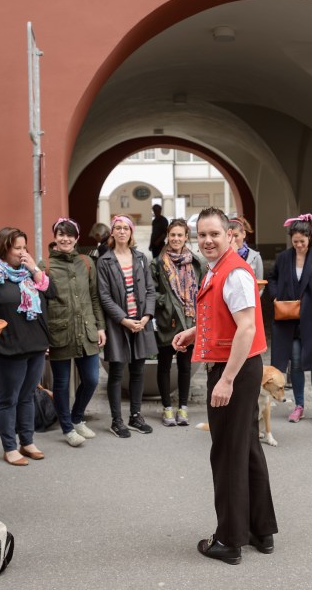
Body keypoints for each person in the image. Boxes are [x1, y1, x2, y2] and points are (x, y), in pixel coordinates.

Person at [172, 207, 277, 565]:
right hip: (238, 366)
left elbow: (246, 328)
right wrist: (194, 332)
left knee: (228, 455)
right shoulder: (219, 268)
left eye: (214, 234)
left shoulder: (234, 272)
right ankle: (261, 531)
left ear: (229, 235)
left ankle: (229, 541)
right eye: (201, 235)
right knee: (246, 449)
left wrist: (227, 379)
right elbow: (226, 318)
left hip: (236, 369)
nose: (207, 240)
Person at [0, 227, 52, 466]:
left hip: (35, 344)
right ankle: (9, 447)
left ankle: (27, 442)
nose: (22, 253)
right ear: (3, 249)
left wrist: (35, 269)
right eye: (16, 248)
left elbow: (51, 295)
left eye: (24, 248)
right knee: (8, 398)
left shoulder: (28, 273)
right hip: (8, 347)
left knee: (28, 396)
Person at [267, 214, 312, 425]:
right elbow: (272, 278)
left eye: (302, 241)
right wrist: (275, 296)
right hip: (289, 318)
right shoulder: (284, 258)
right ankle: (299, 406)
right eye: (295, 241)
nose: (299, 245)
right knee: (296, 363)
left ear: (310, 237)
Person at [40, 217, 106, 447]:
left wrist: (100, 326)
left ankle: (77, 418)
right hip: (59, 332)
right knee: (61, 383)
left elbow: (94, 297)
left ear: (76, 238)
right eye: (61, 234)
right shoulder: (45, 266)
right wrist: (43, 337)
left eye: (70, 235)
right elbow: (41, 305)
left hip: (86, 329)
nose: (65, 239)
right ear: (55, 237)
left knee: (91, 379)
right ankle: (67, 428)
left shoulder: (87, 263)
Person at [97, 215, 156, 437]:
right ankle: (117, 420)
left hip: (140, 322)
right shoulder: (104, 261)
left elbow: (150, 290)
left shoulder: (140, 258)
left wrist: (147, 316)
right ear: (112, 232)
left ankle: (135, 416)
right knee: (116, 372)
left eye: (126, 228)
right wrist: (123, 320)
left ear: (131, 232)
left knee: (138, 371)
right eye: (118, 228)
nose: (122, 231)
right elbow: (104, 296)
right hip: (118, 324)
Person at [150, 218, 203, 426]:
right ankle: (167, 409)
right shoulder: (158, 263)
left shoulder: (195, 263)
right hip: (167, 321)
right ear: (167, 236)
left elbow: (201, 291)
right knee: (164, 365)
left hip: (188, 321)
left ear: (186, 237)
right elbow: (151, 291)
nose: (176, 238)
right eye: (172, 235)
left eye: (180, 235)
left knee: (185, 366)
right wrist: (166, 303)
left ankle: (183, 408)